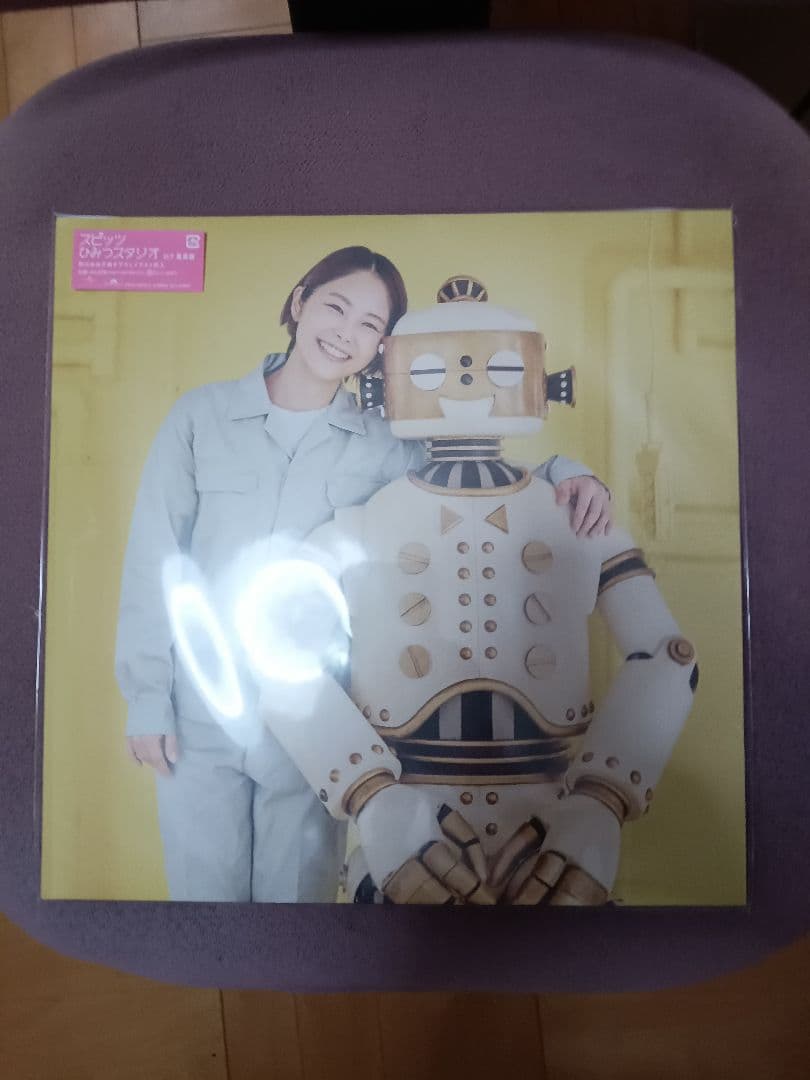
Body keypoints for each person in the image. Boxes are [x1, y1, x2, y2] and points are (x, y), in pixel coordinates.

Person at [115, 246, 612, 902]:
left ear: (382, 347)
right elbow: (155, 557)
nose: (345, 332)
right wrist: (147, 698)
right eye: (335, 306)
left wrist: (568, 473)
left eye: (370, 324)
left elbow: (474, 476)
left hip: (314, 721)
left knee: (299, 912)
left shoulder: (387, 443)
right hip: (201, 711)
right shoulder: (199, 418)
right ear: (300, 302)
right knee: (203, 910)